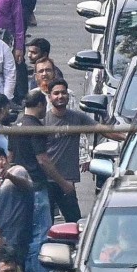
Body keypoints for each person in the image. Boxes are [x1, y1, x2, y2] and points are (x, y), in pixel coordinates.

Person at [10, 90, 71, 272]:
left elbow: (10, 157)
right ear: (39, 105)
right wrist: (63, 183)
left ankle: (30, 271)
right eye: (44, 105)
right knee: (40, 230)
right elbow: (43, 159)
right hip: (36, 184)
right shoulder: (35, 127)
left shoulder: (16, 125)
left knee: (27, 230)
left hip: (19, 186)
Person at [44, 78, 93, 222]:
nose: (60, 96)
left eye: (63, 93)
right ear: (49, 97)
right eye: (56, 93)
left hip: (68, 183)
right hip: (47, 182)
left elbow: (102, 130)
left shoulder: (77, 118)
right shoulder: (42, 122)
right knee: (46, 224)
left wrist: (127, 135)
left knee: (75, 223)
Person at [0, 147, 33, 268]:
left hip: (16, 235)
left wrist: (9, 176)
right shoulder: (0, 182)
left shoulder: (17, 170)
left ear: (2, 160)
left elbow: (27, 185)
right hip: (5, 235)